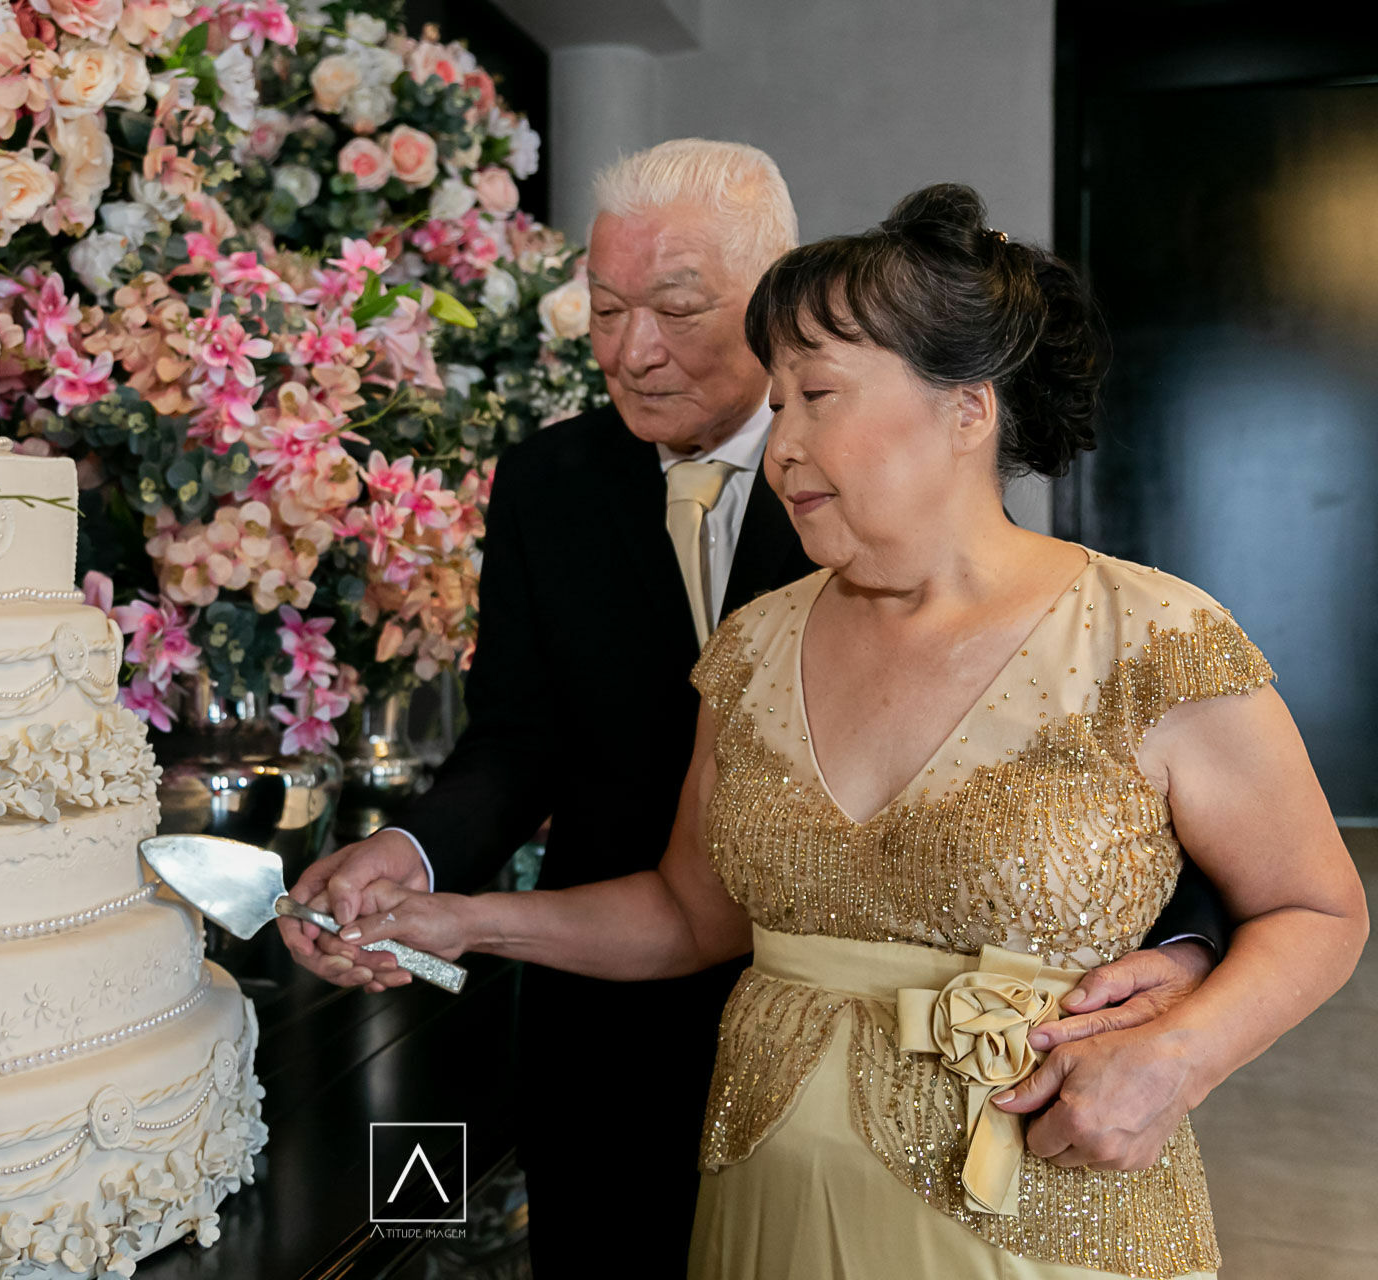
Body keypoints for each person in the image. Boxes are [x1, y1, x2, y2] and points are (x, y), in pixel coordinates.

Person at [324, 183, 1368, 1278]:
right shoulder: (753, 648)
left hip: (1043, 1220)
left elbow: (1315, 904)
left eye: (818, 393)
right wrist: (460, 920)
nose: (783, 443)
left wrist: (1180, 1057)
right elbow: (690, 915)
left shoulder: (1151, 635)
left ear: (968, 408)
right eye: (778, 402)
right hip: (768, 1209)